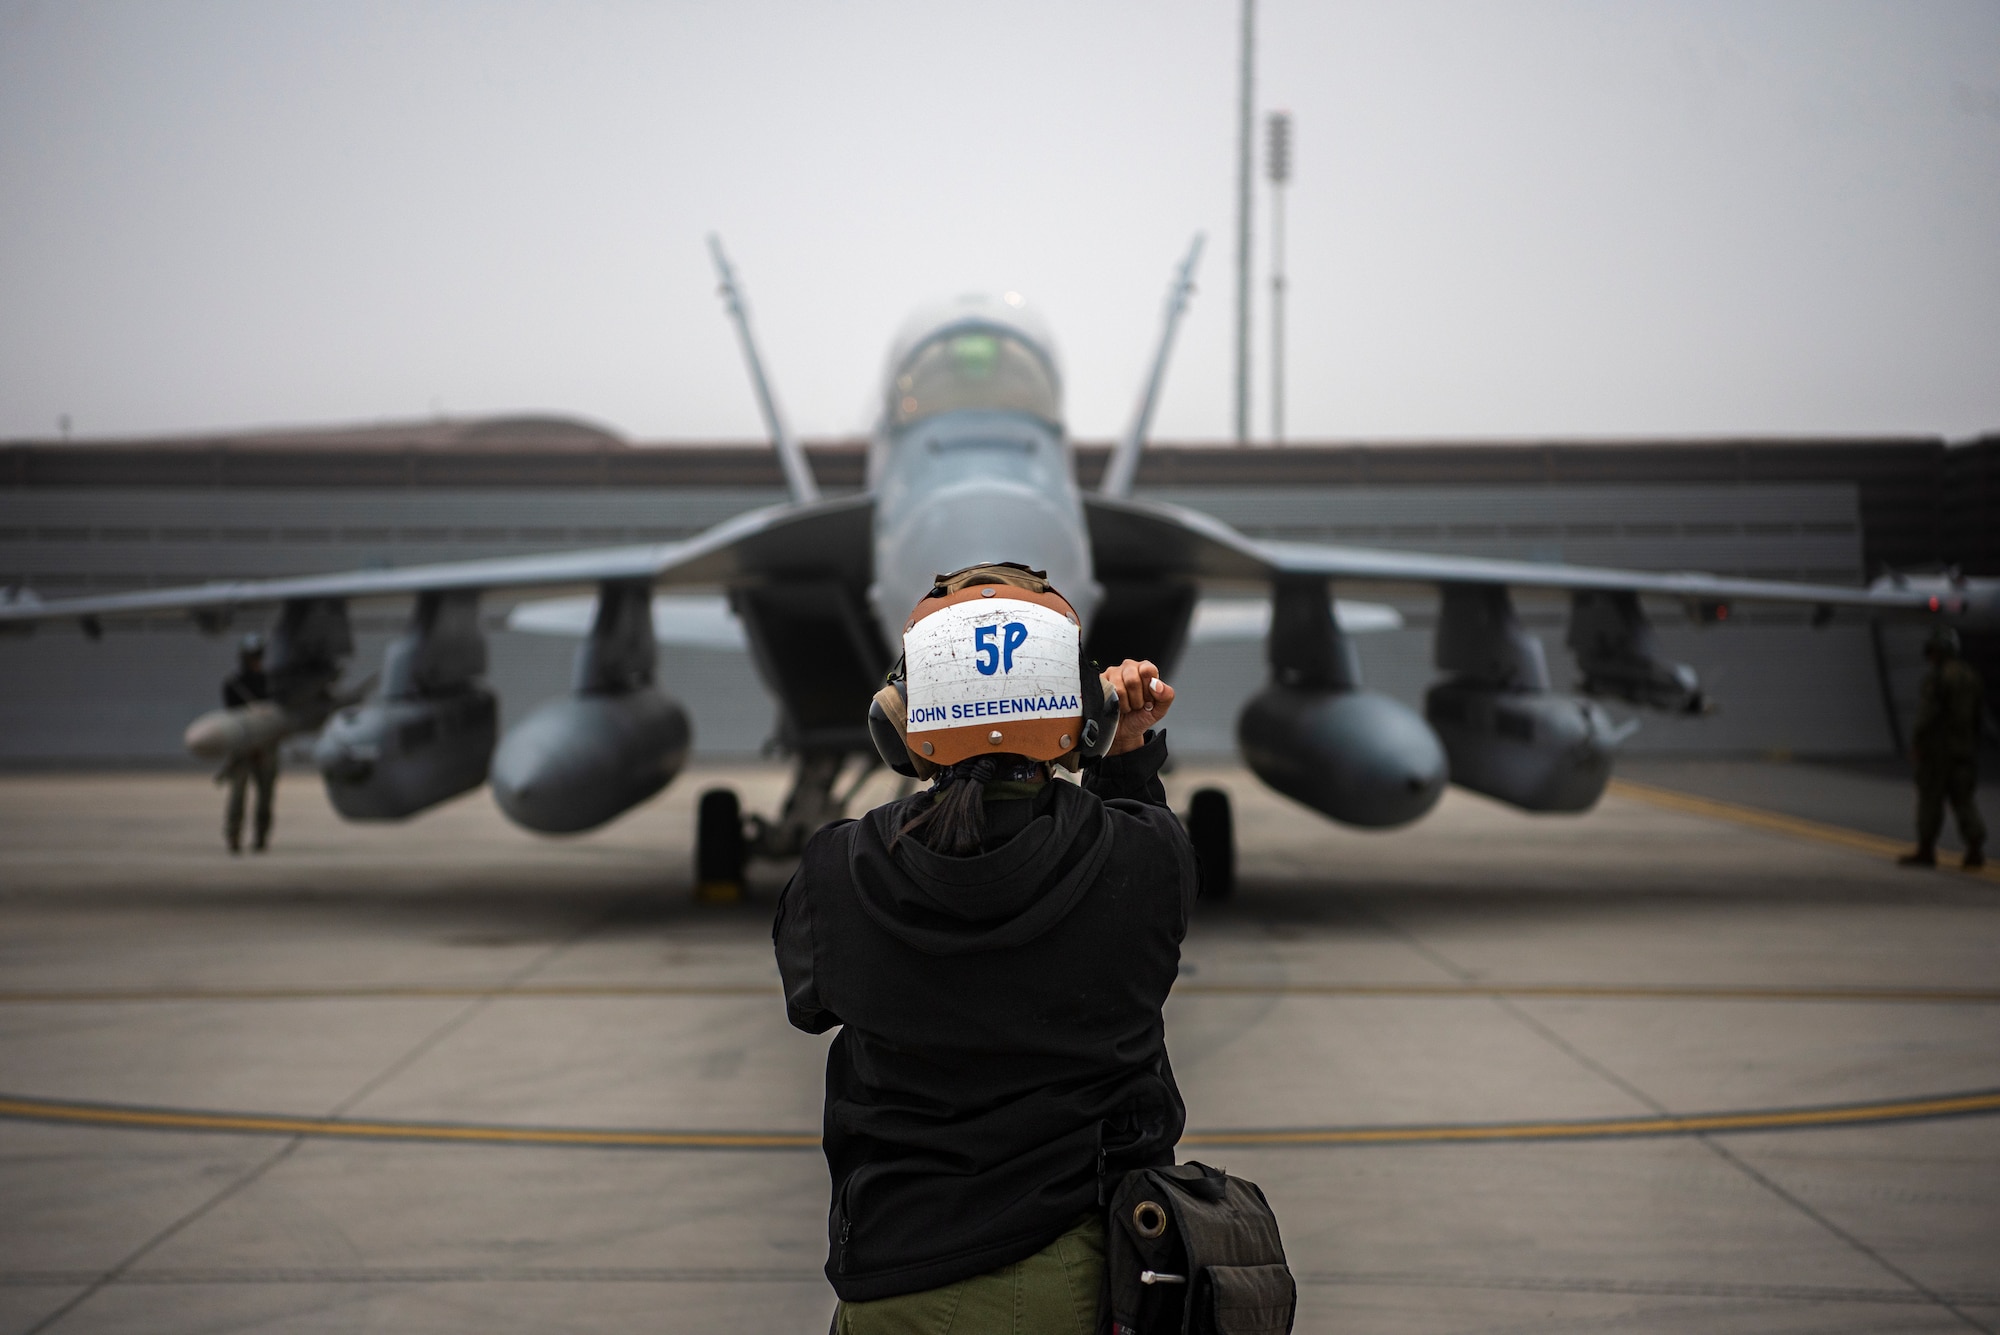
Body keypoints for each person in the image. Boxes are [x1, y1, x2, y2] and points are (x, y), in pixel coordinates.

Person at [773, 564, 1198, 1334]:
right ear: (1076, 708)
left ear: (902, 717)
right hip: (1082, 1278)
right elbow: (1128, 853)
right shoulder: (1148, 859)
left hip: (892, 1279)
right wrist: (1126, 758)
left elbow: (810, 998)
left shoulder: (837, 872)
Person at [1900, 625, 1985, 870]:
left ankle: (1926, 849)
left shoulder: (1938, 678)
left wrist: (1917, 744)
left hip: (1938, 753)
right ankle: (1974, 847)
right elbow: (1978, 717)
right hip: (1963, 750)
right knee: (1964, 800)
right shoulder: (1971, 676)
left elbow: (1927, 715)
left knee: (1930, 800)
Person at [221, 633, 278, 854]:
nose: (256, 660)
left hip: (266, 746)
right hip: (242, 747)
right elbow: (232, 716)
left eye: (258, 656)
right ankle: (233, 836)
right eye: (252, 657)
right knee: (238, 793)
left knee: (265, 795)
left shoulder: (270, 683)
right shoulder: (234, 684)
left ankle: (261, 837)